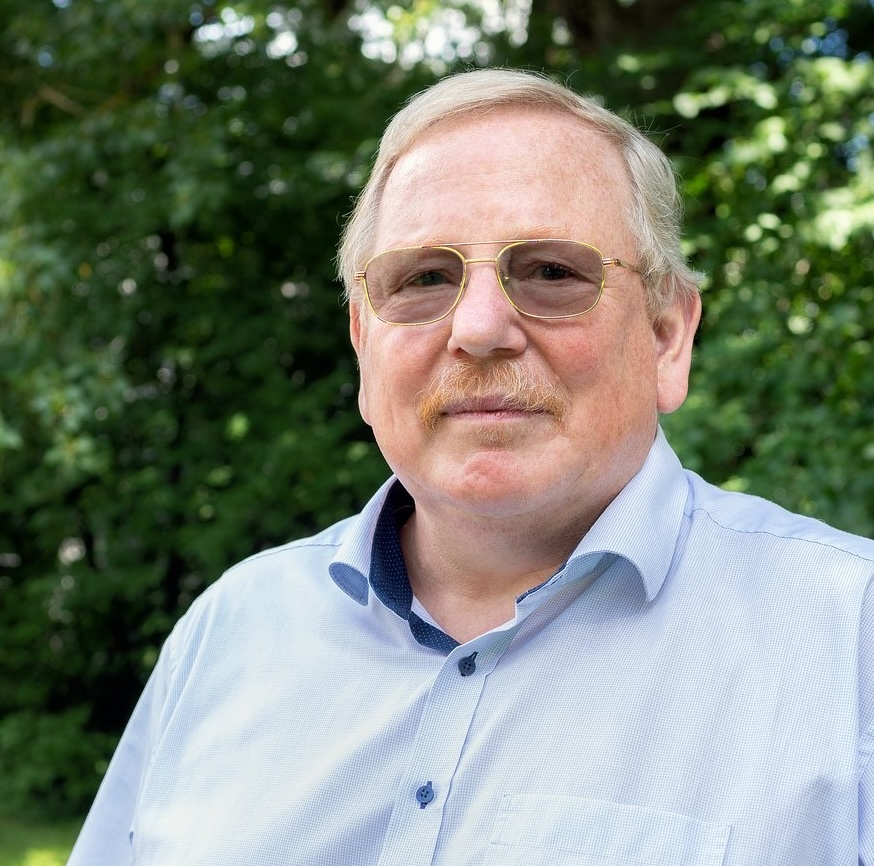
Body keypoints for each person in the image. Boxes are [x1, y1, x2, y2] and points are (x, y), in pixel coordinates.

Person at [68, 67, 874, 866]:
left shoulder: (849, 644)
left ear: (667, 336)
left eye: (553, 273)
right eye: (423, 279)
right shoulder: (230, 632)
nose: (481, 328)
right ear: (361, 344)